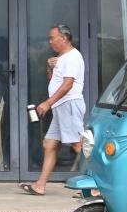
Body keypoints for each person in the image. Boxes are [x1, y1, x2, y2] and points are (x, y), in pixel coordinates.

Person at [20, 24, 85, 196]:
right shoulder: (61, 58)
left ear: (63, 38)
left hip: (68, 105)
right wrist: (50, 67)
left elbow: (68, 85)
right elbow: (53, 81)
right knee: (49, 144)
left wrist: (48, 103)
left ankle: (96, 186)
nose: (50, 42)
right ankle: (40, 185)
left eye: (52, 38)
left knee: (79, 145)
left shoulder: (73, 57)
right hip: (60, 106)